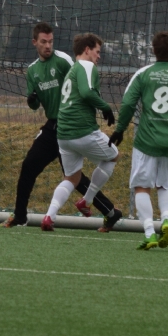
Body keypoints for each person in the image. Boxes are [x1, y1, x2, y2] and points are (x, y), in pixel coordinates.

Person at [2, 23, 122, 231]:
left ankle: (109, 212)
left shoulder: (64, 60)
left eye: (50, 41)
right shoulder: (32, 70)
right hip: (53, 126)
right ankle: (20, 215)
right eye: (43, 42)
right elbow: (34, 106)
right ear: (35, 43)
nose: (48, 45)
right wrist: (32, 100)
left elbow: (80, 84)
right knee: (30, 166)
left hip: (69, 123)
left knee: (74, 177)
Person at [109, 31, 168, 250]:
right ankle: (167, 219)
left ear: (153, 50)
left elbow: (128, 104)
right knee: (165, 185)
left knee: (142, 187)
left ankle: (150, 233)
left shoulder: (143, 74)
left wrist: (120, 130)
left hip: (146, 142)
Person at [41, 32, 122, 231]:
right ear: (87, 50)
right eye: (97, 51)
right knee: (113, 156)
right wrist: (105, 107)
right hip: (82, 130)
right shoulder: (86, 66)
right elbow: (86, 92)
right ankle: (87, 200)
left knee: (71, 178)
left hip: (63, 135)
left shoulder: (72, 70)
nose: (99, 56)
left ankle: (49, 217)